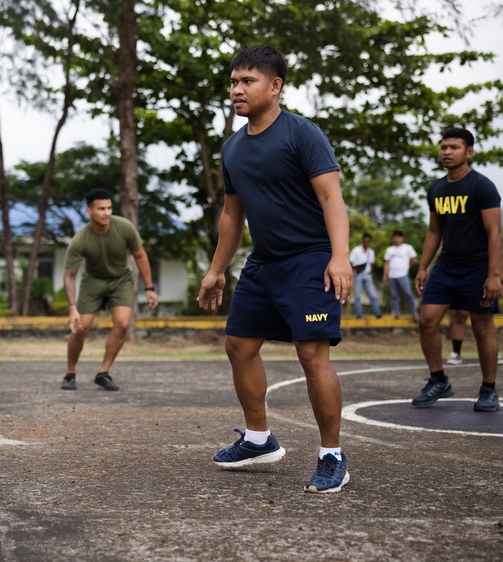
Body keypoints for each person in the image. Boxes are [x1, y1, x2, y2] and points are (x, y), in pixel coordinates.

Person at [197, 46, 352, 493]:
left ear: (275, 86)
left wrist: (339, 257)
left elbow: (331, 199)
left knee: (311, 354)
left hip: (310, 259)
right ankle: (259, 439)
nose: (237, 90)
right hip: (263, 262)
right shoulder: (232, 148)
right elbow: (232, 215)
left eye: (247, 81)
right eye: (233, 82)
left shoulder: (302, 134)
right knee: (238, 345)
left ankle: (332, 456)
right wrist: (216, 270)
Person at [412, 127, 502, 412]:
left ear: (469, 152)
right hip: (446, 268)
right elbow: (434, 231)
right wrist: (423, 267)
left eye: (454, 147)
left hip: (477, 269)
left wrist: (494, 275)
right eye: (444, 147)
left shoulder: (482, 186)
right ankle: (439, 380)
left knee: (482, 326)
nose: (447, 152)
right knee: (427, 320)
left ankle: (489, 389)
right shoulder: (436, 188)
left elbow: (495, 233)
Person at [61, 188, 159, 391]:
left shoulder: (124, 227)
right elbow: (69, 275)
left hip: (120, 280)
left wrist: (149, 287)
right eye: (100, 209)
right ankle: (70, 374)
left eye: (109, 208)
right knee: (80, 328)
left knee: (122, 324)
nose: (106, 213)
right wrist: (72, 307)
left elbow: (140, 256)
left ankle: (103, 373)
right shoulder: (80, 239)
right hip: (93, 282)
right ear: (89, 211)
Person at [383, 231, 419, 321]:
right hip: (392, 276)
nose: (397, 239)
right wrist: (385, 275)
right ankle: (397, 314)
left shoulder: (407, 248)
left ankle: (414, 313)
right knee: (394, 296)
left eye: (398, 237)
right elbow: (386, 263)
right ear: (393, 239)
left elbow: (414, 260)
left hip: (403, 275)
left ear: (402, 238)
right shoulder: (390, 250)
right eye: (395, 237)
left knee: (408, 294)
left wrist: (407, 267)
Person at [349, 233, 382, 319]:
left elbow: (371, 264)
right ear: (362, 241)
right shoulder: (356, 250)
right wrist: (355, 272)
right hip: (358, 275)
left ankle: (377, 313)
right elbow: (351, 262)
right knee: (357, 296)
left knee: (372, 295)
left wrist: (370, 272)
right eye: (365, 241)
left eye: (368, 241)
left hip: (367, 275)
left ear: (370, 242)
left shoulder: (371, 252)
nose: (366, 243)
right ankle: (359, 314)